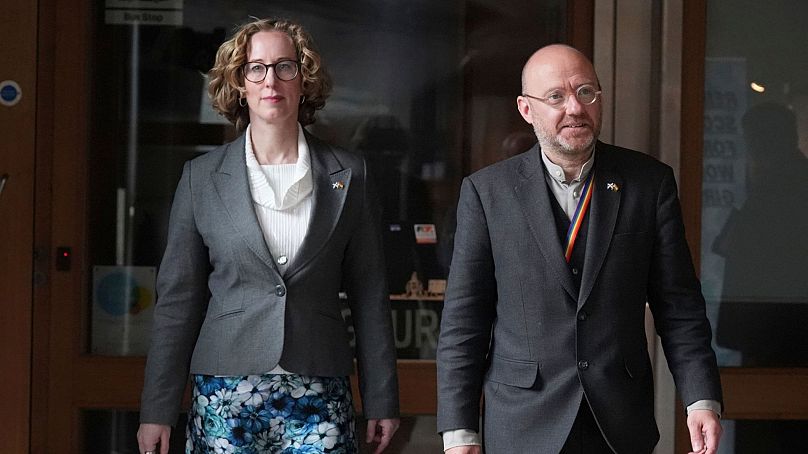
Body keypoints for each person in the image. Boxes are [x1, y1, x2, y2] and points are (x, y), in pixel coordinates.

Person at [436, 44, 723, 454]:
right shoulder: (487, 193)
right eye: (556, 96)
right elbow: (464, 322)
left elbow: (679, 306)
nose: (574, 107)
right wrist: (460, 432)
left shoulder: (649, 184)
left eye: (586, 92)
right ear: (526, 109)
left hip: (619, 423)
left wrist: (701, 399)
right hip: (522, 424)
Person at [137, 18, 399, 454]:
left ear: (304, 80)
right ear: (240, 84)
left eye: (284, 66)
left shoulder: (351, 173)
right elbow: (177, 303)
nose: (270, 80)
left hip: (319, 386)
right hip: (225, 391)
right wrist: (156, 411)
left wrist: (382, 399)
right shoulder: (201, 178)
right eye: (255, 68)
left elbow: (369, 296)